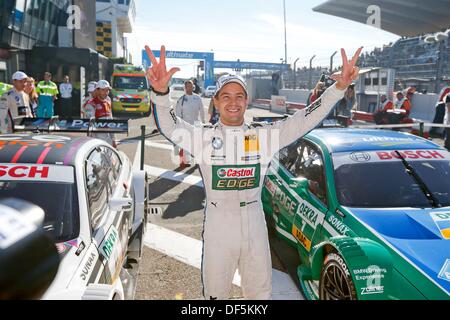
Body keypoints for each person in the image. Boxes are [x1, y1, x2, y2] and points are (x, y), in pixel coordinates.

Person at [146, 44, 361, 300]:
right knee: (215, 294)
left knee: (259, 294)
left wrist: (337, 90)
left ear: (246, 101)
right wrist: (160, 93)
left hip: (255, 222)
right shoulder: (202, 138)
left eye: (239, 96)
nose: (233, 102)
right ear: (215, 102)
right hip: (218, 224)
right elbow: (169, 125)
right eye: (225, 96)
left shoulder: (263, 136)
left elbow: (304, 119)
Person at [175, 80, 205, 167]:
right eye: (187, 86)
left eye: (191, 86)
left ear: (193, 87)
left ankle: (197, 160)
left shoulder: (198, 98)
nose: (189, 88)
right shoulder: (181, 99)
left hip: (196, 123)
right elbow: (178, 113)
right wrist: (179, 125)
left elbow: (202, 110)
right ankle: (185, 161)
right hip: (185, 124)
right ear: (185, 88)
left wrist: (203, 121)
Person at [84, 80, 116, 148]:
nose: (106, 93)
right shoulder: (91, 104)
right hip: (97, 142)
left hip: (108, 140)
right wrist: (92, 143)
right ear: (97, 90)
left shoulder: (108, 100)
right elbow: (90, 125)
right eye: (103, 90)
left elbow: (111, 121)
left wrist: (113, 139)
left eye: (107, 90)